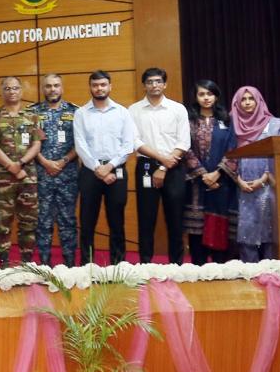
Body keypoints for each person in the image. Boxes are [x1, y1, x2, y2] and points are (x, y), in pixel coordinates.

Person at [73, 70, 137, 265]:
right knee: (87, 222)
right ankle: (87, 265)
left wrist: (109, 166)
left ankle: (118, 265)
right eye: (95, 85)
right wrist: (97, 169)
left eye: (103, 84)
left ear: (110, 86)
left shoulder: (122, 112)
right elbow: (80, 145)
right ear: (90, 87)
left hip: (116, 170)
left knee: (116, 221)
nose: (99, 88)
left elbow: (128, 144)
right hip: (89, 171)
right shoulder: (81, 113)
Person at [129, 68, 191, 264]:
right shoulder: (134, 110)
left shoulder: (178, 109)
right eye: (149, 82)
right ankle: (145, 264)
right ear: (144, 85)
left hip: (174, 166)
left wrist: (164, 167)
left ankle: (176, 265)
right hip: (146, 166)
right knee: (146, 218)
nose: (154, 85)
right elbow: (135, 141)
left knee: (175, 218)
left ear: (165, 84)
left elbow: (184, 142)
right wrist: (161, 160)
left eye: (158, 81)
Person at [0, 77, 45, 267]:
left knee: (29, 222)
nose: (12, 92)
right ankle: (4, 263)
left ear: (21, 91)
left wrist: (21, 163)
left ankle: (26, 262)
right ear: (2, 91)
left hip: (28, 178)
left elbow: (37, 144)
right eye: (8, 88)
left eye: (15, 88)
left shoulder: (32, 116)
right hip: (2, 179)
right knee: (2, 222)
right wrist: (12, 167)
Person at [183, 80, 239, 265]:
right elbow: (185, 148)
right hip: (196, 182)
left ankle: (219, 265)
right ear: (195, 97)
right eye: (202, 94)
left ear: (216, 96)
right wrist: (202, 174)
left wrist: (217, 173)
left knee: (220, 224)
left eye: (210, 94)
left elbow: (233, 149)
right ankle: (198, 265)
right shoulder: (188, 120)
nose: (206, 98)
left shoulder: (227, 120)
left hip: (221, 182)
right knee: (197, 227)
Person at [30, 73, 80, 266]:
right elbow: (29, 143)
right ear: (43, 89)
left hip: (68, 175)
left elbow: (81, 143)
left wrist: (63, 161)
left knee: (68, 220)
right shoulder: (32, 112)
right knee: (42, 220)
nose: (52, 89)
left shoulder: (76, 112)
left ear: (62, 88)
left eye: (56, 85)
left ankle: (69, 264)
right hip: (42, 175)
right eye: (48, 86)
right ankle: (44, 264)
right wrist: (45, 162)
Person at [231, 86, 280, 263]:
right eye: (243, 99)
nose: (247, 102)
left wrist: (265, 178)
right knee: (246, 231)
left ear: (259, 101)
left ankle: (272, 271)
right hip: (241, 186)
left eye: (251, 98)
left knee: (270, 229)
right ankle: (249, 272)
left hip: (269, 184)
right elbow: (227, 154)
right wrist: (237, 179)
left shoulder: (275, 124)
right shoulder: (232, 124)